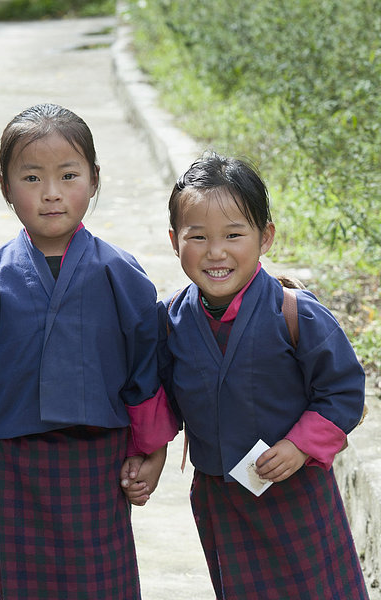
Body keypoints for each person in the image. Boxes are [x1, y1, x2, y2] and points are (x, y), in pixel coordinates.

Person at [0, 103, 177, 600]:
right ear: (6, 186)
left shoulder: (119, 272)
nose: (51, 193)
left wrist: (150, 450)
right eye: (31, 177)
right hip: (14, 463)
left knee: (101, 582)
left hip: (99, 462)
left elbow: (145, 366)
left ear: (93, 180)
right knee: (20, 578)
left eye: (68, 175)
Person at [146, 152, 368, 598]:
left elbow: (343, 394)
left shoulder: (295, 315)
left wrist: (298, 445)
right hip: (220, 498)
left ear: (265, 237)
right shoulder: (171, 321)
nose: (216, 252)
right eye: (198, 236)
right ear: (174, 240)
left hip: (295, 494)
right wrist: (147, 456)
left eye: (233, 234)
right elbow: (162, 401)